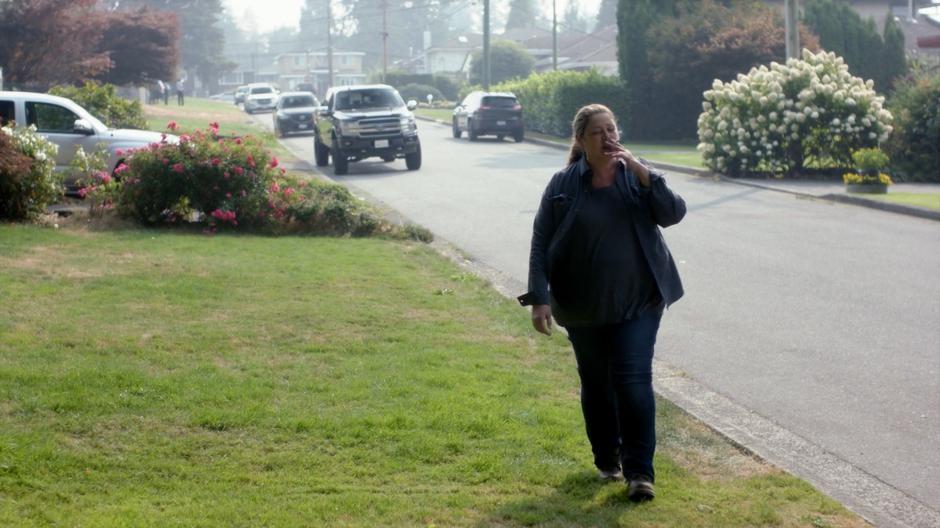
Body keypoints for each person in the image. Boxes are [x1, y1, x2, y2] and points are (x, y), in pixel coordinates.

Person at [518, 104, 686, 502]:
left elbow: (673, 213)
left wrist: (645, 172)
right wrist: (539, 299)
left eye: (612, 129)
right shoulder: (562, 184)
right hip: (582, 305)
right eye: (598, 132)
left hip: (638, 301)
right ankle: (606, 457)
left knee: (632, 381)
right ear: (581, 140)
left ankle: (640, 472)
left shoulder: (636, 176)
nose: (608, 138)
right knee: (596, 385)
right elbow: (541, 242)